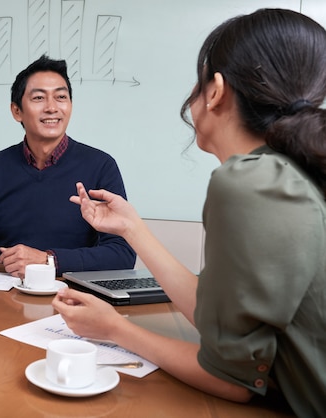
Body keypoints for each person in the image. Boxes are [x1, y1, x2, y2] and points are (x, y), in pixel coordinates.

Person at [53, 8, 326, 416]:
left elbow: (232, 380)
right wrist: (132, 228)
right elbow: (223, 323)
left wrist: (115, 330)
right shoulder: (288, 174)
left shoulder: (251, 182)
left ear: (215, 90)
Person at [0, 55, 135, 280]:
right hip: (4, 295)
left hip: (75, 295)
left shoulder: (101, 166)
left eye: (61, 97)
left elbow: (122, 253)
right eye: (38, 98)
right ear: (17, 111)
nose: (52, 108)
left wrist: (48, 261)